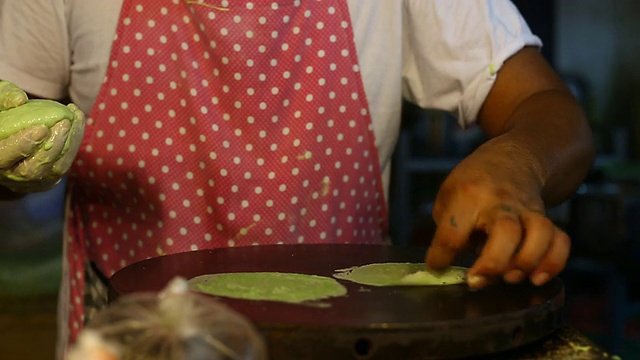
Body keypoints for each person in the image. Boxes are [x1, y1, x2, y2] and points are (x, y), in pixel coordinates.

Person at [0, 0, 595, 358]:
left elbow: (547, 108)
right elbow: (13, 127)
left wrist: (520, 162)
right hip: (126, 346)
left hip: (347, 348)